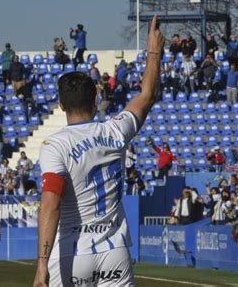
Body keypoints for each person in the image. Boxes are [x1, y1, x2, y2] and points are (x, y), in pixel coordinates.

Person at [33, 15, 164, 287]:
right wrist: (154, 52)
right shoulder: (115, 130)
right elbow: (147, 95)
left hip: (73, 251)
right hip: (114, 251)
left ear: (60, 105)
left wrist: (42, 263)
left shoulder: (55, 145)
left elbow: (51, 203)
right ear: (95, 100)